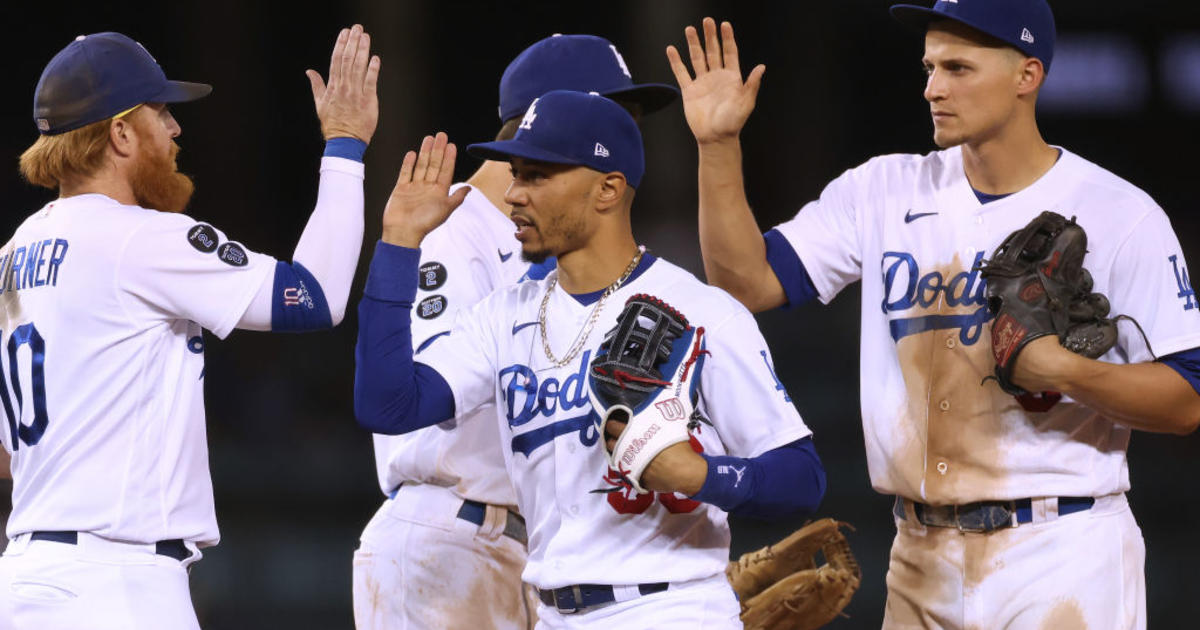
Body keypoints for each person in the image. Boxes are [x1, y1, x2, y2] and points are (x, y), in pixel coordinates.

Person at [667, 2, 1200, 628]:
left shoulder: (1119, 212)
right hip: (919, 554)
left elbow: (1186, 400)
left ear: (1027, 75)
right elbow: (745, 281)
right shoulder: (884, 191)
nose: (932, 87)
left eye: (958, 68)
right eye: (928, 67)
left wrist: (1065, 371)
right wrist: (717, 145)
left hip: (1063, 546)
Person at [353, 90, 825, 628]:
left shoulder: (703, 312)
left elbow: (800, 479)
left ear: (607, 189)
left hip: (670, 607)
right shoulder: (503, 315)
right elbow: (386, 406)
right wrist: (397, 245)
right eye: (516, 173)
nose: (512, 194)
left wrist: (701, 475)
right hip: (552, 612)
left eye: (537, 175)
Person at [0, 25, 379, 629]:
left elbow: (8, 452)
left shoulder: (15, 254)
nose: (175, 129)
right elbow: (317, 296)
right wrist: (345, 146)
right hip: (116, 583)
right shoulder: (136, 238)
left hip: (25, 578)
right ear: (120, 132)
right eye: (160, 112)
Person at [351, 34, 678, 630]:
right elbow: (414, 399)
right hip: (449, 538)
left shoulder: (567, 247)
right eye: (617, 114)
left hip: (527, 548)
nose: (628, 134)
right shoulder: (454, 233)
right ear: (548, 116)